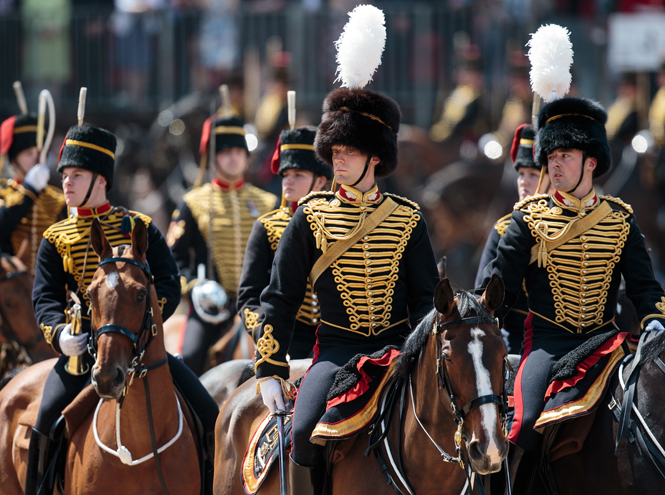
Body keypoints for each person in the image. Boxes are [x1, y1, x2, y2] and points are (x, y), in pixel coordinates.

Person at [254, 86, 440, 492]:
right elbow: (280, 296)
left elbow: (426, 301)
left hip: (398, 353)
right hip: (336, 351)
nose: (337, 157)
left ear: (375, 157)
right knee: (302, 432)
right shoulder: (309, 215)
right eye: (334, 149)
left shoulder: (407, 219)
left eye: (349, 150)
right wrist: (269, 369)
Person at [28, 124, 219, 495]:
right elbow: (44, 298)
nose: (66, 183)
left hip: (141, 345)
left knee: (209, 413)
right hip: (81, 356)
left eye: (76, 175)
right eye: (64, 175)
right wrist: (61, 333)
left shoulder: (140, 226)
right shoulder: (55, 238)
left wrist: (141, 322)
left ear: (101, 179)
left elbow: (168, 282)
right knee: (44, 422)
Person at [478, 97, 665, 471]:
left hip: (605, 344)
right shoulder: (527, 221)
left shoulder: (619, 220)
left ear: (590, 161)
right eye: (551, 156)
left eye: (565, 154)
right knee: (524, 423)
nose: (554, 163)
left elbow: (645, 288)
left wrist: (655, 321)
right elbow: (501, 292)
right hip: (547, 348)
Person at [167, 115, 277, 375]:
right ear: (213, 157)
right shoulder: (192, 202)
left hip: (258, 304)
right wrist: (195, 288)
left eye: (239, 151)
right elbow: (175, 260)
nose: (234, 158)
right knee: (189, 357)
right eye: (226, 152)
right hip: (211, 307)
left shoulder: (268, 202)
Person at [237, 126, 331, 358]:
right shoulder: (266, 226)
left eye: (298, 175)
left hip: (332, 336)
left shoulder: (338, 225)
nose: (288, 181)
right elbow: (249, 296)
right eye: (285, 175)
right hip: (285, 336)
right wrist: (267, 335)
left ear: (319, 181)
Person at [474, 124, 545, 353]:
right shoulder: (503, 229)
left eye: (533, 174)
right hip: (512, 336)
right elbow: (482, 292)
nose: (524, 181)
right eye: (521, 174)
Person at [0, 113, 65, 274]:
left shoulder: (58, 198)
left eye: (39, 152)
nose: (36, 158)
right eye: (29, 154)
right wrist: (29, 189)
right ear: (14, 161)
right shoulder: (2, 192)